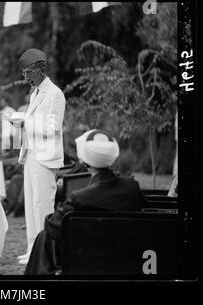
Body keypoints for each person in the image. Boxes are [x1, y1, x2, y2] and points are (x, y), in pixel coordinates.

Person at [24, 129, 145, 275]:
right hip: (125, 256)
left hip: (86, 261)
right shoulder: (132, 188)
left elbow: (52, 226)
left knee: (44, 236)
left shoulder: (79, 198)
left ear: (85, 162)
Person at [12, 48, 66, 265]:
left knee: (43, 205)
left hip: (45, 157)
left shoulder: (55, 94)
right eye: (24, 73)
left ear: (41, 69)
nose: (26, 78)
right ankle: (33, 250)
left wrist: (24, 121)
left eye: (28, 73)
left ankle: (46, 255)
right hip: (32, 155)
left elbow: (53, 127)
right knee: (31, 206)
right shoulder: (34, 93)